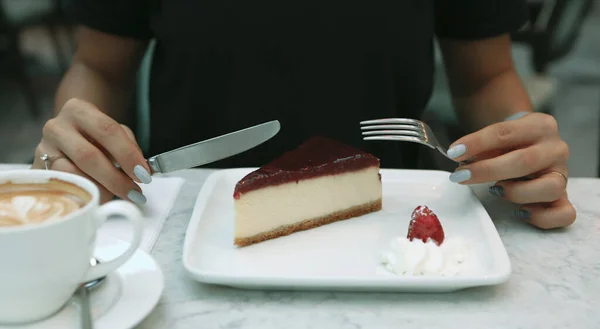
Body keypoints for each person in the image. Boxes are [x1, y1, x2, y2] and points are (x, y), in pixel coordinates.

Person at [32, 0, 576, 229]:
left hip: (395, 222)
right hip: (185, 221)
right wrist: (78, 144)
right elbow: (99, 66)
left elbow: (485, 76)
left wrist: (521, 156)